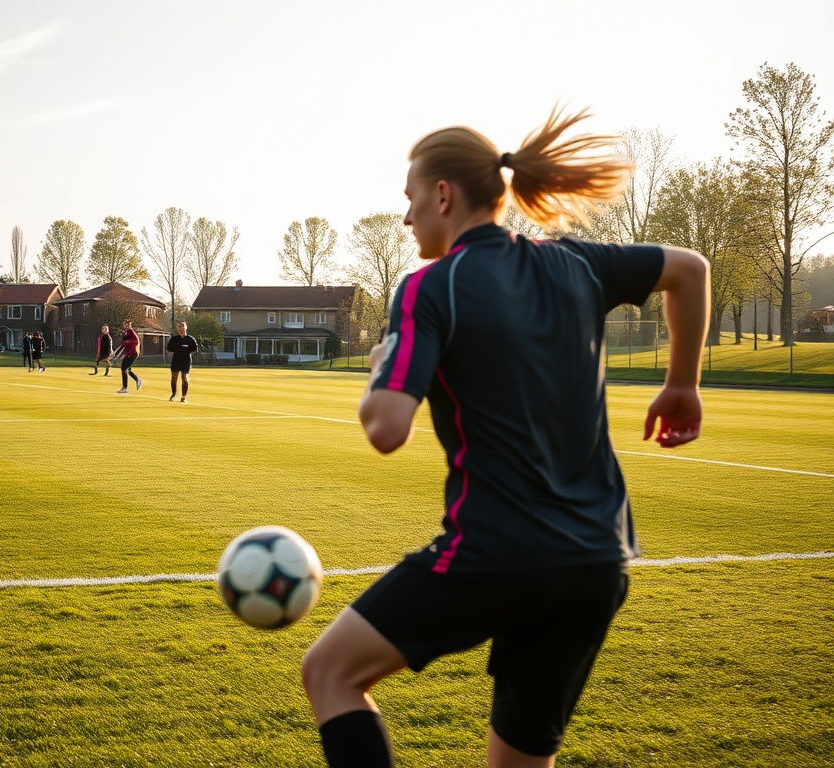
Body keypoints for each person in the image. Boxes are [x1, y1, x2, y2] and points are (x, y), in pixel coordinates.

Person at [300, 106, 710, 768]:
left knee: (330, 673)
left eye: (410, 201)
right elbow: (689, 269)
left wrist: (381, 371)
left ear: (442, 195)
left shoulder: (431, 287)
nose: (407, 220)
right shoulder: (578, 264)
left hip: (497, 554)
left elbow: (385, 429)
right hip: (596, 563)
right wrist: (683, 384)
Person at [166, 321, 199, 402]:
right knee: (174, 378)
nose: (181, 329)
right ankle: (173, 394)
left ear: (186, 328)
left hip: (186, 360)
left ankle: (184, 396)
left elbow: (195, 348)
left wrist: (187, 347)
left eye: (182, 327)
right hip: (176, 359)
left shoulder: (190, 339)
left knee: (184, 378)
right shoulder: (174, 339)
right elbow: (169, 348)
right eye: (179, 327)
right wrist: (178, 347)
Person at [115, 319, 142, 394]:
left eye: (127, 324)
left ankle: (125, 387)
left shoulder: (131, 331)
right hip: (129, 353)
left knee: (124, 368)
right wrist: (116, 354)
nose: (125, 325)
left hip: (133, 353)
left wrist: (127, 353)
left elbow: (135, 342)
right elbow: (122, 345)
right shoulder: (126, 333)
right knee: (126, 369)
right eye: (125, 324)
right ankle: (136, 380)